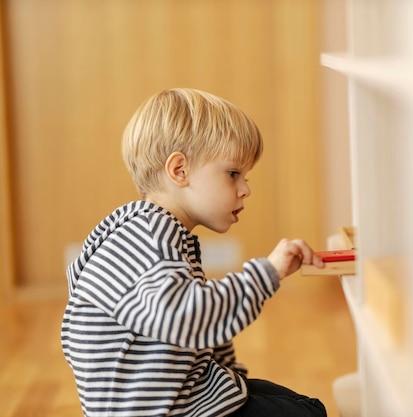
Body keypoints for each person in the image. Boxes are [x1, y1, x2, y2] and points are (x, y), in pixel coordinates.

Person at [61, 88, 327, 417]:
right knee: (307, 413)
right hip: (166, 409)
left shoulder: (160, 232)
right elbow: (181, 317)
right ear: (179, 171)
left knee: (293, 404)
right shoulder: (146, 238)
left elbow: (198, 334)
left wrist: (232, 376)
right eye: (233, 174)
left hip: (181, 395)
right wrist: (266, 274)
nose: (246, 189)